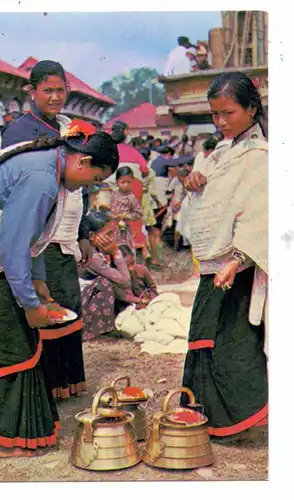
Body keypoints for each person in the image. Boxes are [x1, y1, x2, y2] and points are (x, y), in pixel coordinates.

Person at [0, 125, 119, 458]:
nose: (89, 186)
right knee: (11, 349)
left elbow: (34, 237)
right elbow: (13, 243)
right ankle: (4, 440)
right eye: (94, 180)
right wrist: (30, 304)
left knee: (18, 345)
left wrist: (36, 282)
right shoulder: (41, 178)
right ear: (84, 161)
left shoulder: (53, 167)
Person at [180, 71, 268, 441]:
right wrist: (193, 182)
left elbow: (261, 212)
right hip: (213, 264)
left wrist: (237, 259)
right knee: (204, 337)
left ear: (251, 109)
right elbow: (207, 205)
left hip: (238, 267)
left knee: (235, 344)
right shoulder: (218, 153)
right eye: (214, 114)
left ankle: (241, 421)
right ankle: (210, 417)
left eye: (227, 113)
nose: (220, 122)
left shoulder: (261, 157)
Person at [0, 60, 92, 400]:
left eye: (60, 89)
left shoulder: (68, 127)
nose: (55, 96)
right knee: (46, 306)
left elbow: (80, 184)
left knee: (68, 303)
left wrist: (83, 232)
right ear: (31, 91)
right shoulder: (19, 131)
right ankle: (49, 386)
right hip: (38, 233)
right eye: (48, 90)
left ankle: (69, 381)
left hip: (65, 232)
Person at [78, 211, 132, 341]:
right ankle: (101, 331)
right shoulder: (92, 256)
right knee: (105, 282)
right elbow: (125, 282)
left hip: (82, 303)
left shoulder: (93, 250)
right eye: (108, 234)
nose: (112, 238)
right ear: (91, 235)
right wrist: (116, 252)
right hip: (80, 308)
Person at [110, 166, 143, 251]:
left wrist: (125, 215)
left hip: (123, 230)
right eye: (123, 182)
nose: (126, 185)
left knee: (123, 250)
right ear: (117, 182)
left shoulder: (131, 198)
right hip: (111, 227)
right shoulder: (113, 194)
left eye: (128, 182)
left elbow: (138, 214)